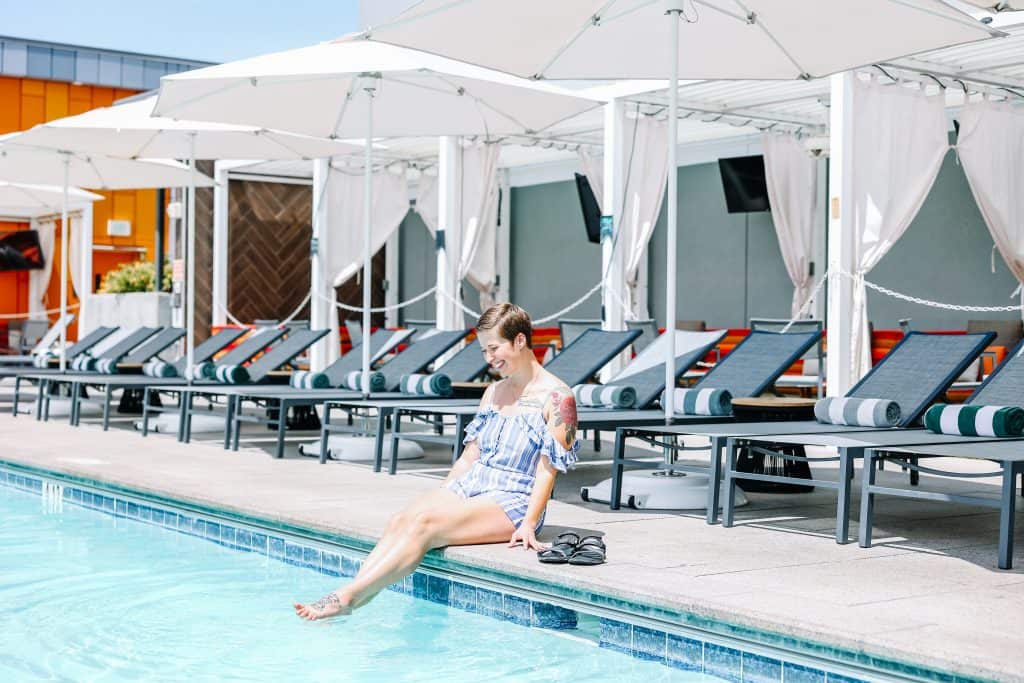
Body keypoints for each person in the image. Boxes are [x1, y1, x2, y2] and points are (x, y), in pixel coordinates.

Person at [294, 303, 580, 620]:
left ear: (521, 341)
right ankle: (356, 593)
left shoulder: (556, 397)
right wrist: (446, 493)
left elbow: (546, 470)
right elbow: (471, 453)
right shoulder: (493, 391)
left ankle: (347, 598)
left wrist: (528, 524)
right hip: (473, 485)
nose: (489, 358)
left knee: (424, 526)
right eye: (485, 350)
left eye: (494, 348)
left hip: (513, 499)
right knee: (403, 519)